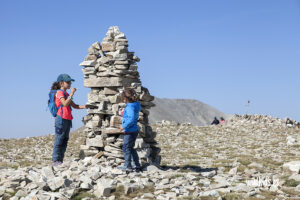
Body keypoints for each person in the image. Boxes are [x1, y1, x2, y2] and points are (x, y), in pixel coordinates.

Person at [51, 74, 86, 166]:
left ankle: (60, 160)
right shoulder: (60, 93)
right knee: (59, 139)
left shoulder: (66, 93)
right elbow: (65, 104)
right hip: (61, 119)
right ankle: (55, 160)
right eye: (68, 82)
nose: (70, 84)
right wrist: (72, 93)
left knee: (65, 139)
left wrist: (85, 106)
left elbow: (74, 106)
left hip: (67, 119)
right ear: (61, 83)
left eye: (70, 82)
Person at [118, 88, 141, 172]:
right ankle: (136, 164)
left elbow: (131, 119)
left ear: (126, 98)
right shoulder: (135, 104)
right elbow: (132, 115)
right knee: (130, 148)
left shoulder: (130, 107)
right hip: (134, 129)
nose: (122, 100)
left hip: (130, 130)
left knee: (126, 147)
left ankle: (128, 166)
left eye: (123, 98)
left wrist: (123, 126)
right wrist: (125, 112)